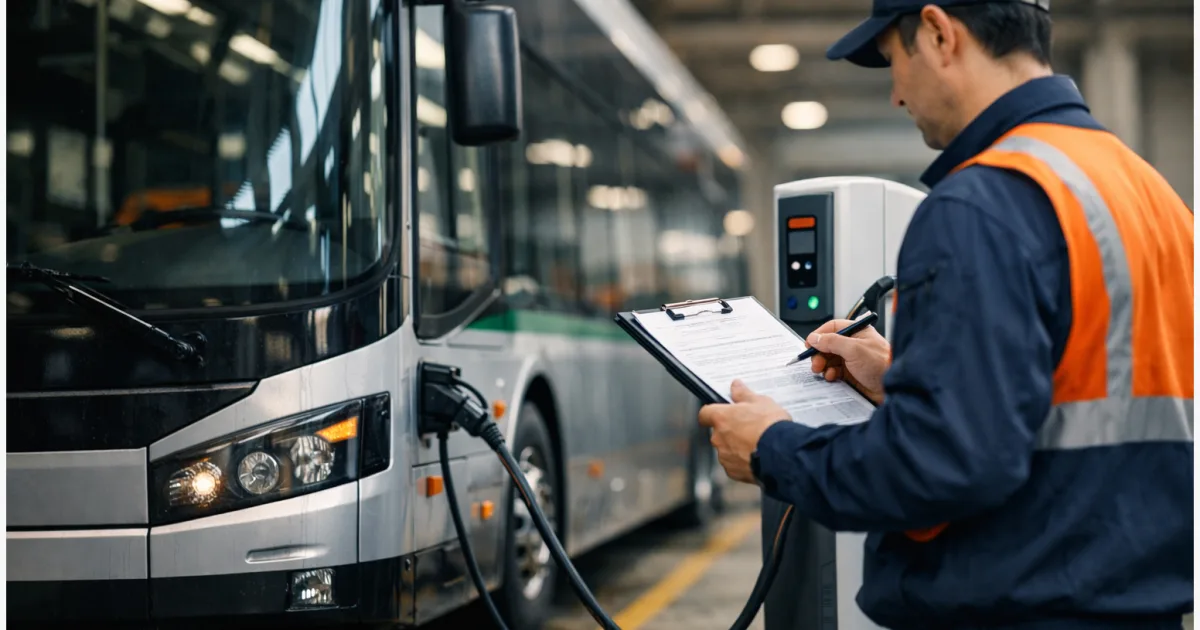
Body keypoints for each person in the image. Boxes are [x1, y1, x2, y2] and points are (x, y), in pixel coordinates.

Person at [697, 1, 1194, 628]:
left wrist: (773, 449)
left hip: (1017, 604)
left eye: (892, 62)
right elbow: (1084, 390)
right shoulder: (1149, 194)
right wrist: (903, 375)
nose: (895, 96)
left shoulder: (981, 204)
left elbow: (941, 467)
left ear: (938, 33)